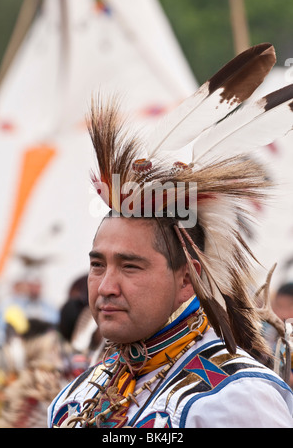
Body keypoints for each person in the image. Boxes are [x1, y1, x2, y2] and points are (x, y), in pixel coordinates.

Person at [48, 43, 293, 428]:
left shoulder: (233, 400)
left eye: (130, 266)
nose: (106, 286)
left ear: (187, 277)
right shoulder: (79, 396)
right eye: (98, 264)